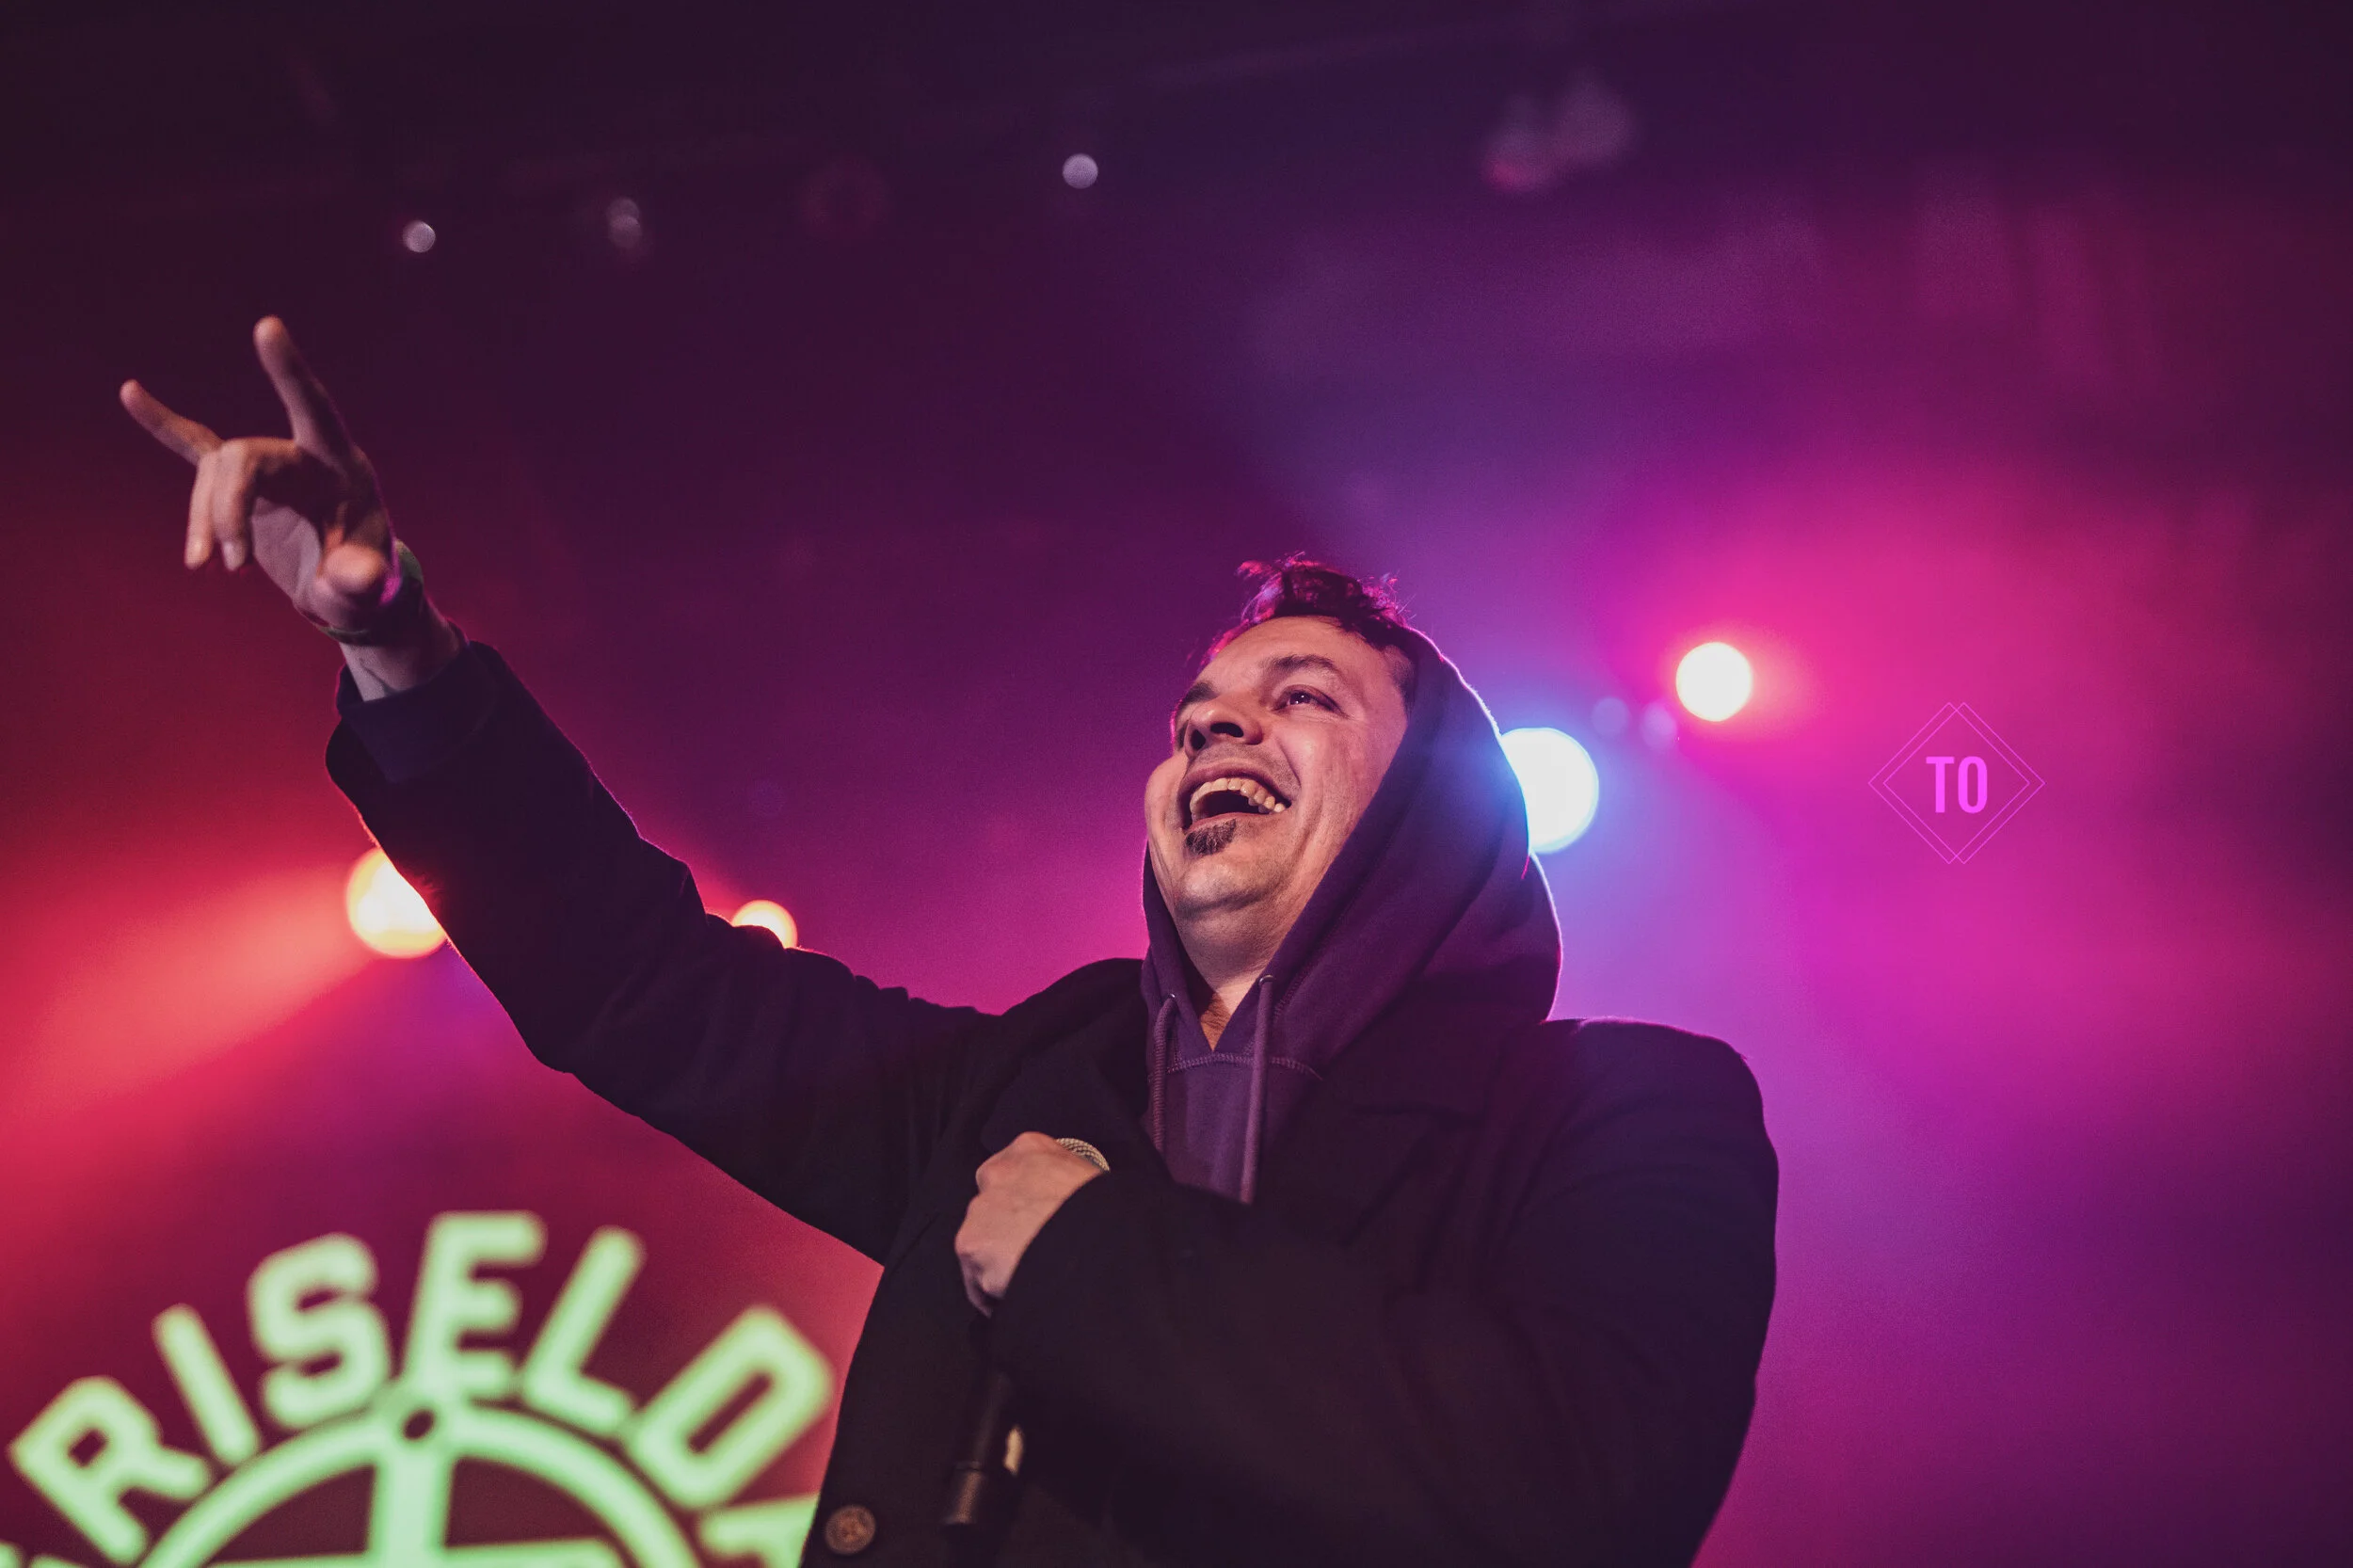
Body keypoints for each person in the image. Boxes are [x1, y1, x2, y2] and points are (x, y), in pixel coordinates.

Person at [123, 318, 1779, 1568]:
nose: (1217, 737)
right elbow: (642, 981)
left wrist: (1086, 1256)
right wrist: (401, 646)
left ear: (1440, 811)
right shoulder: (1025, 1085)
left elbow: (1577, 1488)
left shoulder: (1623, 1117)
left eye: (1302, 699)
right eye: (1195, 714)